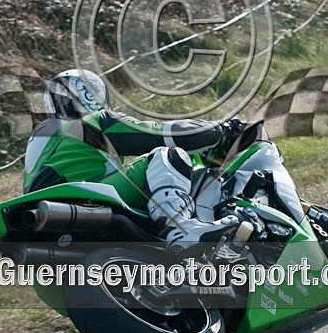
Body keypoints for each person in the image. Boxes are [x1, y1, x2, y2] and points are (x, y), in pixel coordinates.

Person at [23, 69, 243, 254]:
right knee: (169, 154)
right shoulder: (92, 123)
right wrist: (221, 129)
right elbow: (163, 134)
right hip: (82, 196)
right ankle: (181, 229)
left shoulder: (42, 139)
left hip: (39, 220)